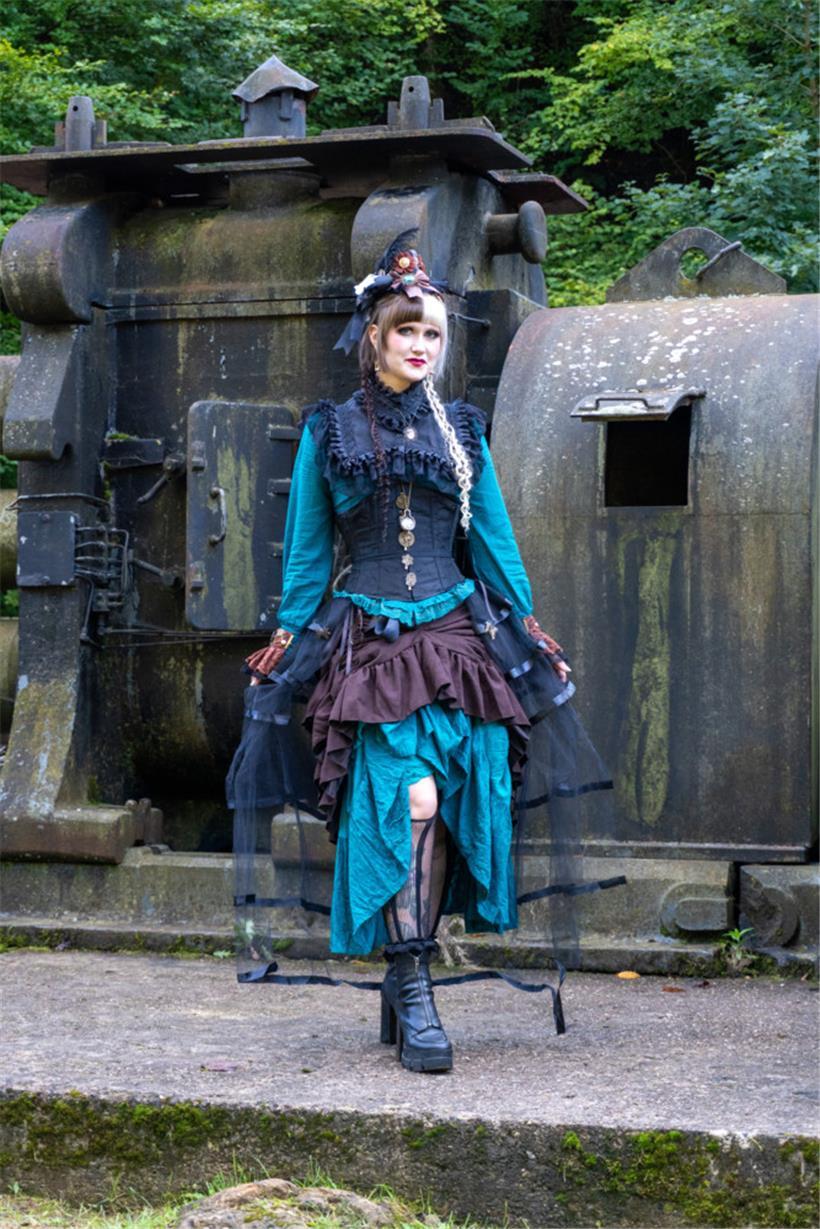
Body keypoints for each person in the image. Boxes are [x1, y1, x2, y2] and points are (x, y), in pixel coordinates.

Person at [228, 234, 616, 1074]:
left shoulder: (462, 428)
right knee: (408, 797)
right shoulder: (329, 429)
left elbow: (494, 539)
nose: (420, 344)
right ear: (373, 335)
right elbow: (308, 552)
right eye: (406, 329)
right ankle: (411, 983)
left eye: (432, 333)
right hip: (371, 637)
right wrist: (289, 637)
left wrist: (527, 625)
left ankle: (409, 972)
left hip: (457, 637)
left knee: (452, 803)